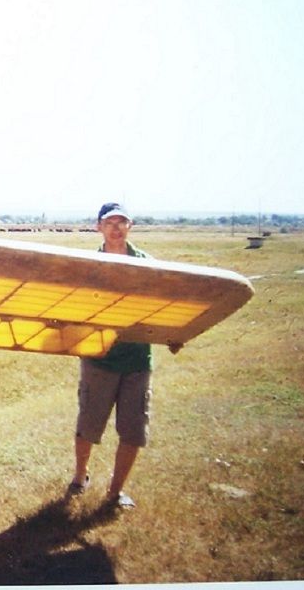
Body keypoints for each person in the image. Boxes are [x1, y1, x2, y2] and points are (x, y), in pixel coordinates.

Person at [66, 202, 178, 510]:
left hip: (137, 362)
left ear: (130, 226)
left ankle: (115, 492)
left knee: (133, 429)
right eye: (109, 223)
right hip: (98, 359)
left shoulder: (147, 265)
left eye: (121, 222)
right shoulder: (89, 266)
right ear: (98, 227)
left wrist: (175, 334)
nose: (115, 228)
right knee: (89, 423)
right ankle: (80, 476)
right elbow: (73, 307)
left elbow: (164, 305)